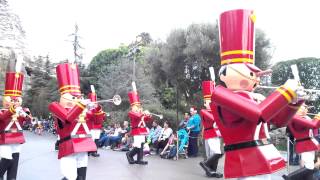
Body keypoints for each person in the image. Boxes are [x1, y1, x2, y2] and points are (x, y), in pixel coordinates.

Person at [210, 9, 304, 179]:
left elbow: (277, 120)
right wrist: (285, 91)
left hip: (260, 155)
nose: (256, 79)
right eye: (252, 73)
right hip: (243, 160)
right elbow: (259, 115)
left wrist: (294, 101)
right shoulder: (221, 95)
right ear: (225, 73)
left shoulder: (252, 97)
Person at [48, 63, 105, 180]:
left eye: (78, 96)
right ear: (64, 97)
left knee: (81, 177)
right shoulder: (56, 106)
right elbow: (68, 117)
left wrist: (97, 108)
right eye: (74, 96)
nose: (78, 98)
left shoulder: (82, 110)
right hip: (68, 147)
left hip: (83, 145)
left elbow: (98, 121)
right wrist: (80, 105)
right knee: (70, 177)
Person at [0, 55, 32, 180]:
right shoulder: (2, 110)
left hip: (17, 138)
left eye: (17, 99)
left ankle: (12, 178)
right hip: (4, 138)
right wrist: (13, 110)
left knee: (15, 161)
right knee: (7, 158)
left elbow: (29, 121)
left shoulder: (21, 110)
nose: (14, 101)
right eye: (12, 99)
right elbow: (2, 118)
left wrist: (27, 115)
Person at [282, 105, 320, 180]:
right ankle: (290, 177)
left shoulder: (301, 117)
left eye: (305, 108)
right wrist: (318, 116)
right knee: (309, 167)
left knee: (310, 165)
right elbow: (314, 125)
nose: (305, 109)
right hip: (305, 143)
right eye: (302, 108)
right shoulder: (295, 118)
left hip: (308, 142)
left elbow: (314, 128)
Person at [199, 81, 223, 178]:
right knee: (216, 153)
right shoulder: (204, 111)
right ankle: (205, 165)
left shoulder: (214, 111)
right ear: (205, 103)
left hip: (216, 134)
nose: (211, 103)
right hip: (209, 133)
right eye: (209, 102)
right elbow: (214, 119)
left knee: (217, 153)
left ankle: (212, 171)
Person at [126, 84, 153, 165]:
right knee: (138, 145)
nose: (138, 107)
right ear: (133, 106)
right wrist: (143, 112)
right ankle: (129, 154)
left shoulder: (140, 112)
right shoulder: (131, 112)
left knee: (141, 145)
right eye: (137, 106)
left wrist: (148, 115)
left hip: (142, 130)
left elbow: (147, 120)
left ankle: (139, 159)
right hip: (136, 130)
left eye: (139, 105)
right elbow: (138, 116)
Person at [87, 90, 106, 157]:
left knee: (96, 139)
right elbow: (90, 116)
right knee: (91, 139)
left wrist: (99, 109)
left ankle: (94, 151)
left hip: (97, 127)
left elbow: (103, 118)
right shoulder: (89, 110)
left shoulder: (98, 109)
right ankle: (89, 151)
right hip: (91, 127)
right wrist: (94, 108)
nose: (95, 104)